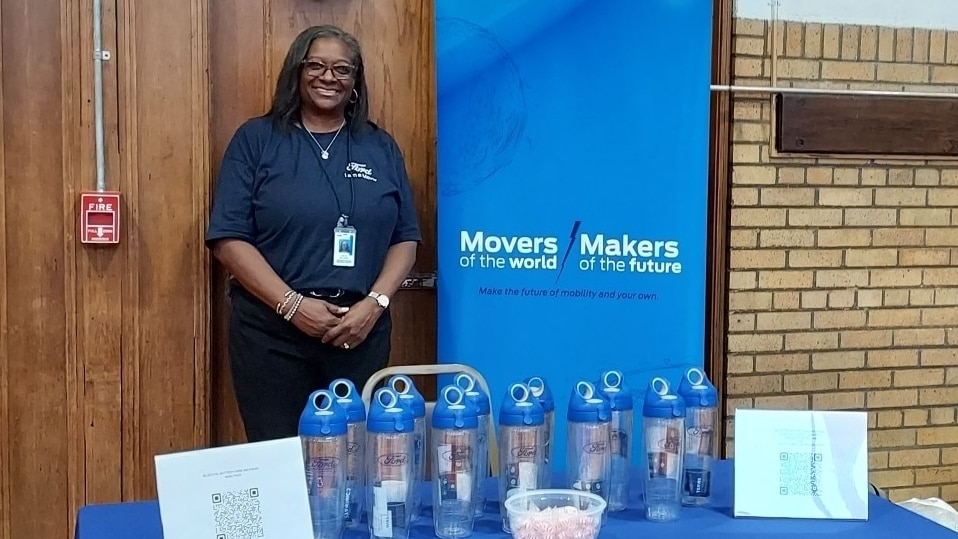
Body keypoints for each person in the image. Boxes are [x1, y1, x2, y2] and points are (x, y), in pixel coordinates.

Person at [206, 25, 421, 442]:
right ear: (297, 72)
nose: (329, 77)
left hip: (358, 332)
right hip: (271, 334)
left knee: (356, 466)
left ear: (356, 81)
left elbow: (405, 239)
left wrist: (374, 305)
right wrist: (292, 306)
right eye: (317, 65)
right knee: (278, 461)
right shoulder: (257, 140)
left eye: (342, 69)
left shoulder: (379, 147)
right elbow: (228, 238)